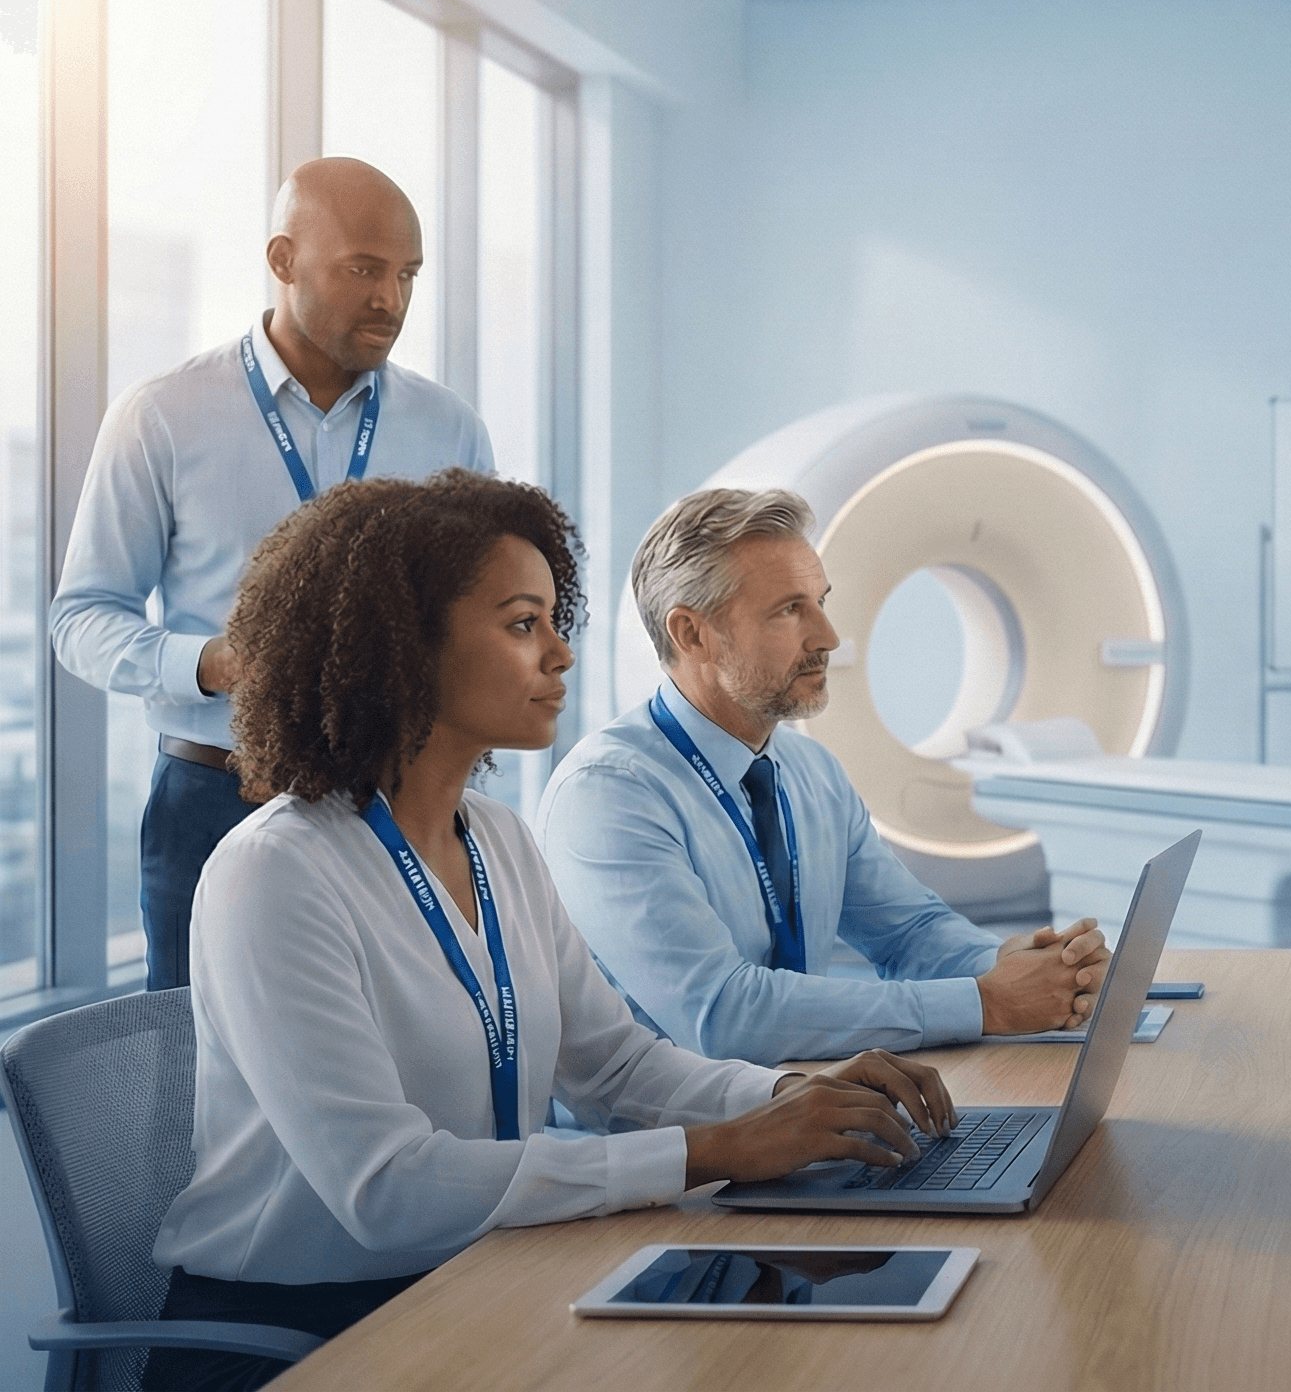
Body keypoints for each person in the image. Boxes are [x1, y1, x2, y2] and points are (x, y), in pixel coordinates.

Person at [150, 471, 954, 1392]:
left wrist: (789, 1097)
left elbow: (615, 1066)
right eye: (523, 623)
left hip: (482, 1278)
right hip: (303, 1337)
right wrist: (717, 1150)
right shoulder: (277, 873)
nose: (561, 654)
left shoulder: (495, 837)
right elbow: (389, 1191)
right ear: (403, 648)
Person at [50, 158, 496, 991]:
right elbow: (83, 617)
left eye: (407, 275)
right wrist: (217, 664)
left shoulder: (450, 430)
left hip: (394, 801)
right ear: (283, 260)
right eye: (363, 269)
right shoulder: (164, 416)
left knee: (403, 1067)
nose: (391, 301)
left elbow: (485, 613)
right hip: (215, 798)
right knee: (201, 1079)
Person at [540, 487, 1107, 1064]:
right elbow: (723, 1014)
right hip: (675, 1142)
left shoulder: (811, 771)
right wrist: (985, 1003)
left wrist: (1038, 969)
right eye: (790, 610)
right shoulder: (609, 792)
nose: (828, 638)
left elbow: (910, 932)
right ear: (692, 633)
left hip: (813, 1107)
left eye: (820, 601)